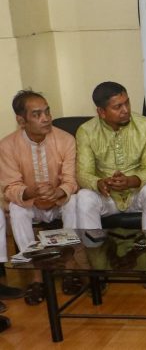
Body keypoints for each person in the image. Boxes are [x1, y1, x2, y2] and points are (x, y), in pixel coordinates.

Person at [0, 91, 78, 304]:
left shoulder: (66, 140)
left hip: (58, 201)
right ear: (21, 120)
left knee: (75, 201)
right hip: (31, 203)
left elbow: (71, 180)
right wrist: (32, 192)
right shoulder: (7, 146)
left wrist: (58, 192)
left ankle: (70, 269)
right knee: (16, 209)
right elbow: (10, 187)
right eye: (37, 114)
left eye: (47, 112)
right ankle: (37, 276)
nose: (46, 118)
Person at [75, 82, 146, 231]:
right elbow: (83, 173)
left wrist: (131, 181)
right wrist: (99, 183)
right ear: (101, 112)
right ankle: (93, 245)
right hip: (106, 196)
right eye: (118, 107)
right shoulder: (86, 131)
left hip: (136, 193)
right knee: (84, 196)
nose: (126, 110)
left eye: (127, 103)